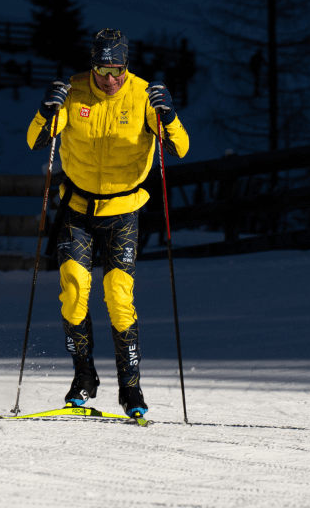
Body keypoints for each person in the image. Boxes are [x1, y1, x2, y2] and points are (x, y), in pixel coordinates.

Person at [27, 28, 190, 418]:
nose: (111, 79)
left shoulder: (143, 95)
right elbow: (35, 139)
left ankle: (130, 388)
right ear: (93, 65)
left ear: (126, 65)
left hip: (123, 211)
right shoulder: (73, 90)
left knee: (119, 297)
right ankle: (84, 377)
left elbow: (180, 146)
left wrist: (169, 115)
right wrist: (46, 110)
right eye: (103, 69)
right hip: (77, 209)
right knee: (74, 289)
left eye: (118, 69)